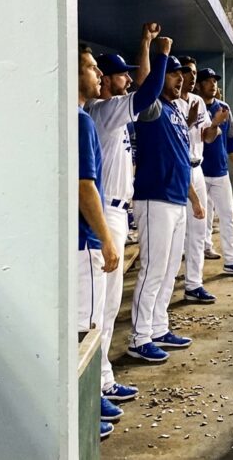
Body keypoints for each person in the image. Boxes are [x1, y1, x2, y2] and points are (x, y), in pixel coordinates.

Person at [88, 23, 168, 406]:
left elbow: (146, 91)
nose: (126, 78)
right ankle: (96, 386)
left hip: (117, 211)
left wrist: (145, 45)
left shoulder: (111, 112)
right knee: (100, 307)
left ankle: (103, 379)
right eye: (120, 73)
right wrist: (157, 50)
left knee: (107, 305)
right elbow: (151, 88)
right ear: (104, 79)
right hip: (105, 212)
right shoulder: (103, 110)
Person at [126, 55, 206, 363]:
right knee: (153, 270)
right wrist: (151, 48)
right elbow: (147, 85)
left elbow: (181, 160)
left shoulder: (176, 110)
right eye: (172, 74)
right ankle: (139, 337)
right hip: (154, 198)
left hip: (176, 198)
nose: (179, 79)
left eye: (180, 75)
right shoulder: (153, 108)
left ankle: (158, 327)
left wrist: (194, 200)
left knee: (170, 270)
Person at [76, 43, 125, 436]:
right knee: (86, 331)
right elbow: (84, 187)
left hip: (76, 240)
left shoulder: (74, 116)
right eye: (91, 68)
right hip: (84, 240)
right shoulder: (80, 120)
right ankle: (83, 413)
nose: (98, 75)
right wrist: (106, 239)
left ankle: (88, 404)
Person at [174, 57, 230, 305]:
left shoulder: (197, 102)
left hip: (196, 168)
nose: (191, 75)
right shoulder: (170, 102)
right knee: (177, 233)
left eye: (194, 72)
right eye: (187, 71)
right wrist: (188, 121)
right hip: (178, 169)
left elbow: (207, 137)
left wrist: (216, 124)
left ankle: (194, 284)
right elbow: (175, 135)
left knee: (198, 230)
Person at [198, 69, 233, 276]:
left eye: (214, 81)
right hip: (199, 171)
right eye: (208, 81)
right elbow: (203, 137)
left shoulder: (224, 107)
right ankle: (203, 249)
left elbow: (230, 141)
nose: (212, 84)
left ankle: (232, 260)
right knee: (202, 217)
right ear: (199, 85)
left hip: (220, 171)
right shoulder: (195, 106)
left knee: (227, 216)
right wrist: (215, 122)